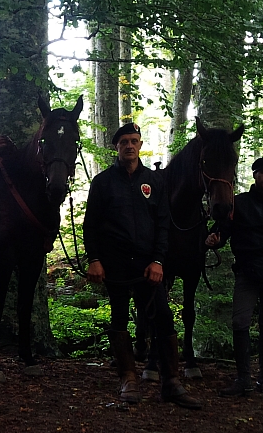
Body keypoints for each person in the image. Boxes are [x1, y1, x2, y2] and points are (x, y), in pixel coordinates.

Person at [83, 122, 201, 409]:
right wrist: (94, 260)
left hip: (149, 267)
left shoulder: (154, 182)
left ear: (140, 144)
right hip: (116, 266)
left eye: (134, 140)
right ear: (117, 146)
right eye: (124, 141)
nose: (129, 146)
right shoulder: (103, 183)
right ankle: (128, 378)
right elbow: (91, 225)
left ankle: (171, 382)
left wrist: (159, 260)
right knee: (120, 318)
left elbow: (164, 225)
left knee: (162, 317)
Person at [205, 156, 263, 398]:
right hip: (247, 273)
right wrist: (214, 238)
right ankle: (243, 378)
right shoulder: (239, 204)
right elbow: (222, 231)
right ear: (255, 175)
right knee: (240, 323)